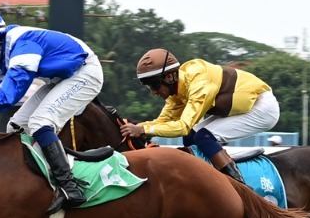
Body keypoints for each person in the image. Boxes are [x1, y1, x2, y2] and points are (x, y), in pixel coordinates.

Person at [0, 9, 104, 210]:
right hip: (61, 78)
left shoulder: (24, 46)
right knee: (16, 126)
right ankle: (31, 183)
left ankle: (70, 188)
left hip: (85, 73)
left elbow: (7, 98)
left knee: (40, 122)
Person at [120, 49, 280, 184]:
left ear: (169, 77)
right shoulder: (176, 92)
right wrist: (134, 128)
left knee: (203, 136)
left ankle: (239, 186)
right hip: (244, 107)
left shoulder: (199, 84)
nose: (153, 92)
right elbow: (161, 123)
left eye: (155, 85)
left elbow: (182, 126)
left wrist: (141, 129)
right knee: (192, 135)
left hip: (262, 107)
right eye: (149, 86)